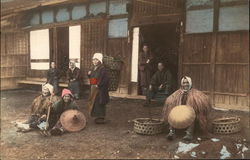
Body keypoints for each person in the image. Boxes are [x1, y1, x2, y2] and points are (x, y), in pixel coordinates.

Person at [162, 76, 211, 141]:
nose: (185, 84)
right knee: (172, 114)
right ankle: (171, 132)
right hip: (180, 112)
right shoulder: (178, 93)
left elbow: (203, 103)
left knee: (191, 114)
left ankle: (189, 134)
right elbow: (170, 101)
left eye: (187, 83)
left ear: (190, 83)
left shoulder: (196, 94)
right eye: (184, 83)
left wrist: (193, 109)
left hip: (190, 113)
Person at [87, 53, 110, 124]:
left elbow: (105, 79)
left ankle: (101, 118)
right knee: (95, 102)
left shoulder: (103, 69)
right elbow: (93, 79)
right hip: (94, 88)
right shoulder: (94, 68)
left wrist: (98, 85)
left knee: (100, 102)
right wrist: (89, 75)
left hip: (101, 89)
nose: (94, 61)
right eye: (93, 60)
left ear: (99, 60)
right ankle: (97, 117)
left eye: (96, 60)